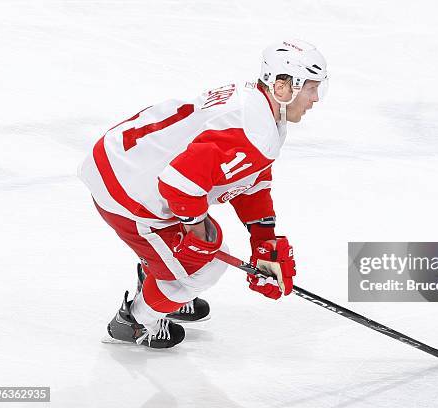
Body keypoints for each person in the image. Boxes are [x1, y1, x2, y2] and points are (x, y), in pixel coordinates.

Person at [78, 40, 329, 348]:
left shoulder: (259, 107)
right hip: (125, 191)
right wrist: (196, 236)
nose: (316, 99)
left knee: (197, 248)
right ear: (282, 88)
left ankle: (163, 279)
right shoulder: (255, 129)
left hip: (126, 160)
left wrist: (263, 236)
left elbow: (252, 176)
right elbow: (178, 186)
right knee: (201, 269)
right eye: (311, 89)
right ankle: (134, 322)